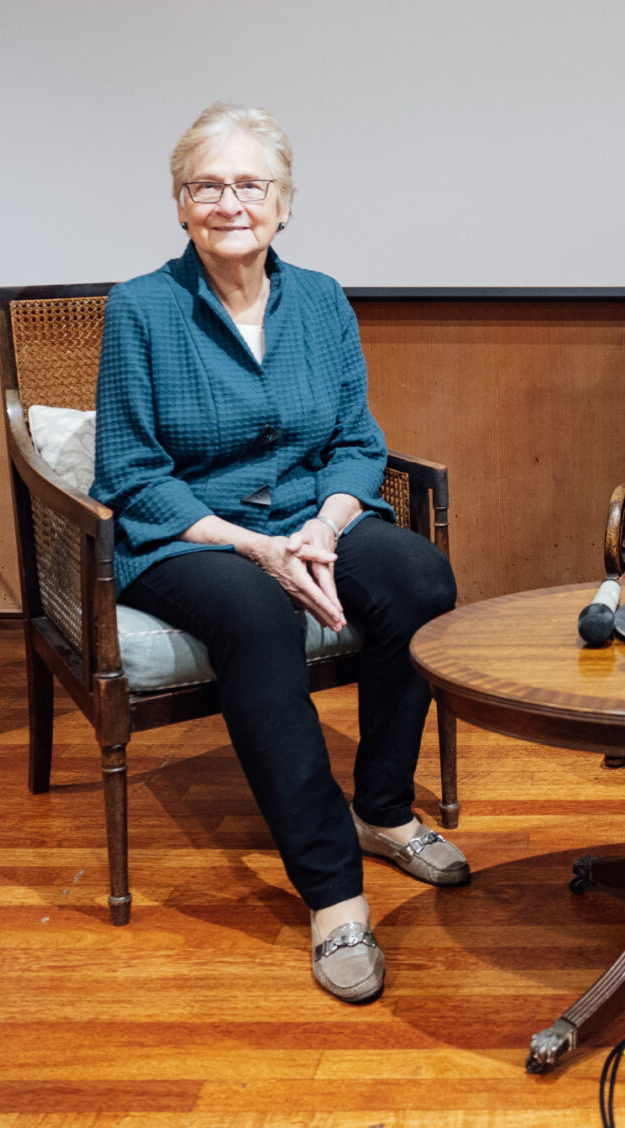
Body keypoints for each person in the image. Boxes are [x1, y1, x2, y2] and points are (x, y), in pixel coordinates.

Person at [92, 103, 463, 1004]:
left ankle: (381, 808)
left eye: (249, 184)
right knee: (259, 616)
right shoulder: (141, 308)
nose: (229, 202)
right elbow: (130, 471)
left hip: (308, 519)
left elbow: (356, 442)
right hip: (192, 535)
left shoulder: (323, 298)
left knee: (420, 576)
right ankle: (334, 893)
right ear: (181, 206)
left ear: (284, 203)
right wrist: (258, 548)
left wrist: (323, 530)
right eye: (206, 186)